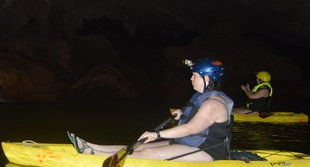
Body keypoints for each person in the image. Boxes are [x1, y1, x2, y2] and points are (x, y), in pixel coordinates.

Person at [67, 58, 233, 161]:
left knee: (149, 154)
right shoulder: (202, 96)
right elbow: (196, 118)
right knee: (139, 146)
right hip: (189, 143)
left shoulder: (213, 104)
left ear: (207, 78)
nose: (191, 78)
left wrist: (157, 135)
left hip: (207, 152)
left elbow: (191, 128)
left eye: (194, 75)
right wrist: (182, 113)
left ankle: (96, 157)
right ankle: (93, 146)